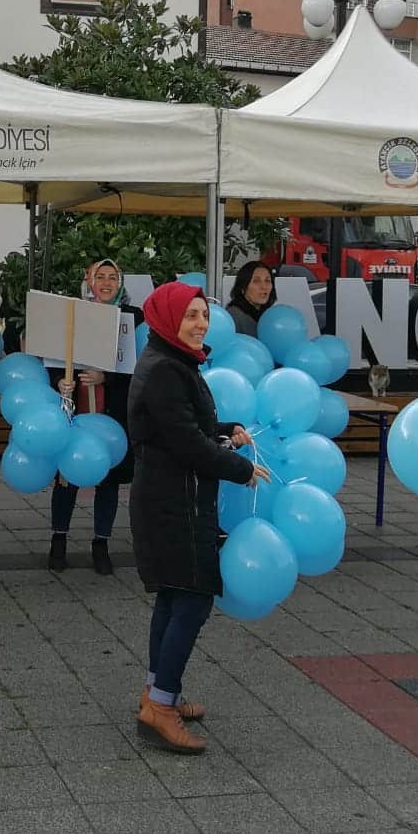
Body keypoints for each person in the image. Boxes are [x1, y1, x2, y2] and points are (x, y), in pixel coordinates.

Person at [128, 282, 266, 755]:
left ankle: (157, 691)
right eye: (190, 316)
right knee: (191, 599)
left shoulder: (171, 362)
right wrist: (240, 468)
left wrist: (228, 430)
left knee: (174, 597)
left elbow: (187, 426)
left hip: (171, 498)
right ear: (167, 319)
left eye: (203, 315)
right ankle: (160, 709)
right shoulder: (166, 369)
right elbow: (186, 443)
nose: (200, 324)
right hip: (174, 504)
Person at [50, 259, 143, 576]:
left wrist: (107, 378)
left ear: (120, 282)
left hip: (112, 416)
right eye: (99, 276)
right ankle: (58, 540)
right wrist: (60, 383)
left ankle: (100, 543)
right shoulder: (71, 316)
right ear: (88, 281)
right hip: (76, 412)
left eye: (112, 277)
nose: (106, 282)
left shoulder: (132, 320)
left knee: (108, 480)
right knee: (68, 478)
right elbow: (53, 360)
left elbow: (136, 373)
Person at [225, 260, 276, 338]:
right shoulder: (234, 316)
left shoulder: (270, 315)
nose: (264, 286)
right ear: (243, 287)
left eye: (267, 280)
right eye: (256, 281)